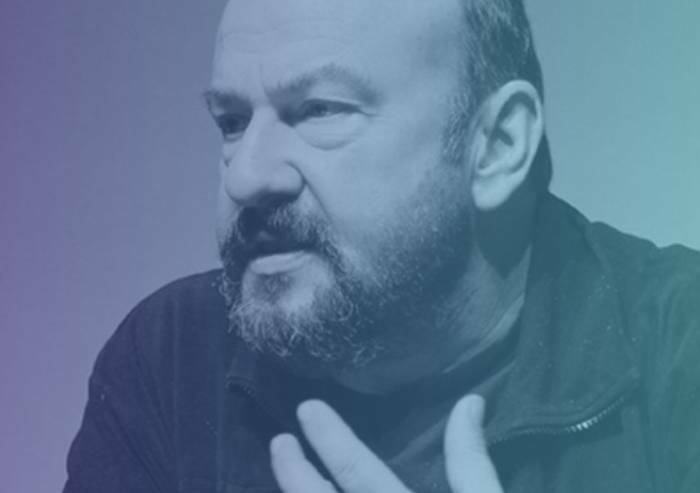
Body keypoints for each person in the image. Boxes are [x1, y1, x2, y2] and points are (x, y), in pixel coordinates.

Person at [63, 0, 700, 492]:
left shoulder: (681, 347)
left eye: (321, 110)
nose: (246, 177)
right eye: (231, 122)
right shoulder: (169, 359)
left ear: (498, 146)